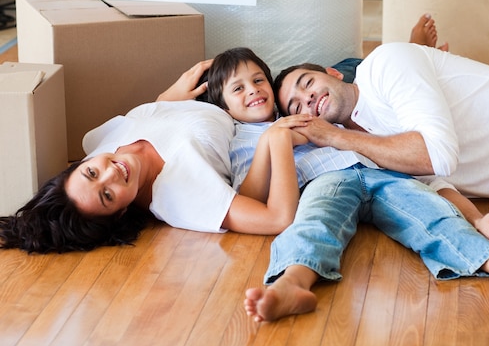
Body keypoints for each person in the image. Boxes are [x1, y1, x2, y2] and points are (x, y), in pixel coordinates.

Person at [190, 46, 489, 323]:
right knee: (316, 224)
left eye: (258, 80)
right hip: (326, 181)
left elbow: (430, 174)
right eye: (238, 89)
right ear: (224, 107)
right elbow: (255, 198)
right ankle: (291, 283)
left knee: (433, 216)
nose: (253, 89)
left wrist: (475, 217)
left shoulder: (333, 119)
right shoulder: (240, 137)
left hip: (375, 168)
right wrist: (272, 142)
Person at [0, 63, 309, 253]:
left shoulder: (101, 145)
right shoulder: (179, 198)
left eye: (91, 173)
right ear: (120, 213)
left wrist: (166, 98)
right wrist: (277, 138)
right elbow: (277, 219)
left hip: (232, 84)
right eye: (107, 195)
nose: (111, 173)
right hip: (260, 107)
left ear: (80, 164)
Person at [273, 42, 489, 200]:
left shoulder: (384, 64)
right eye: (297, 105)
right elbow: (437, 184)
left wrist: (334, 137)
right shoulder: (366, 151)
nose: (309, 99)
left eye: (308, 84)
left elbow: (439, 156)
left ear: (332, 73)